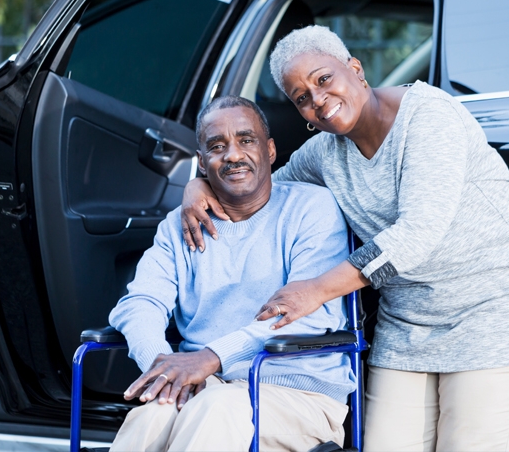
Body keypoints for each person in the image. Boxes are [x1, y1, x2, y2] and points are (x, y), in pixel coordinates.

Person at [180, 25, 509, 452]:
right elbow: (263, 190)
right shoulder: (324, 153)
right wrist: (201, 186)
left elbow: (416, 235)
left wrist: (317, 290)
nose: (317, 100)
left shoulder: (428, 116)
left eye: (323, 79)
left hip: (499, 299)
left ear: (355, 69)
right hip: (411, 318)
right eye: (301, 97)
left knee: (468, 444)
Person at [108, 95, 356, 452]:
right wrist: (163, 371)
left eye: (246, 140)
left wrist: (210, 357)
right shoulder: (177, 227)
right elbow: (139, 303)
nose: (234, 155)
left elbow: (307, 316)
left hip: (298, 395)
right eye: (217, 146)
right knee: (154, 415)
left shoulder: (311, 209)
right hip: (211, 385)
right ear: (202, 164)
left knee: (214, 409)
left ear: (270, 150)